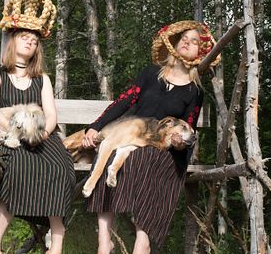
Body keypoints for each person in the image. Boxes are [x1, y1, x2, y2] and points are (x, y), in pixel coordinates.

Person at [81, 20, 220, 254]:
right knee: (111, 152)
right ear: (175, 44)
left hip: (166, 150)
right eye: (184, 38)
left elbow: (189, 128)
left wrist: (178, 145)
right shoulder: (150, 74)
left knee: (146, 160)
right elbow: (124, 101)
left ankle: (142, 242)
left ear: (199, 52)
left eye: (194, 41)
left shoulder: (194, 91)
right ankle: (104, 243)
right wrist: (95, 126)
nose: (188, 42)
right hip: (135, 135)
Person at [0, 0, 75, 254]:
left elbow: (51, 115)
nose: (30, 43)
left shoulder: (42, 79)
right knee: (17, 169)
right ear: (13, 41)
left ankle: (56, 245)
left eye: (35, 41)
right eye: (25, 37)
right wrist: (9, 128)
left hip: (42, 137)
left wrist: (44, 134)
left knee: (61, 169)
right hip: (11, 137)